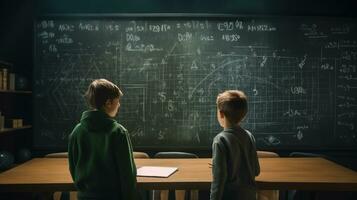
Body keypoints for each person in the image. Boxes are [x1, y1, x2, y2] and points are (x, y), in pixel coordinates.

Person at [68, 79, 138, 200]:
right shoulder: (118, 132)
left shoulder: (76, 131)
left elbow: (73, 168)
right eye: (118, 101)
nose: (119, 105)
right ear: (108, 103)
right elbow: (127, 175)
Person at [210, 90, 260, 200]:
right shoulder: (249, 136)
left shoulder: (220, 140)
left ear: (221, 114)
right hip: (250, 196)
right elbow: (256, 170)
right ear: (243, 115)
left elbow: (219, 180)